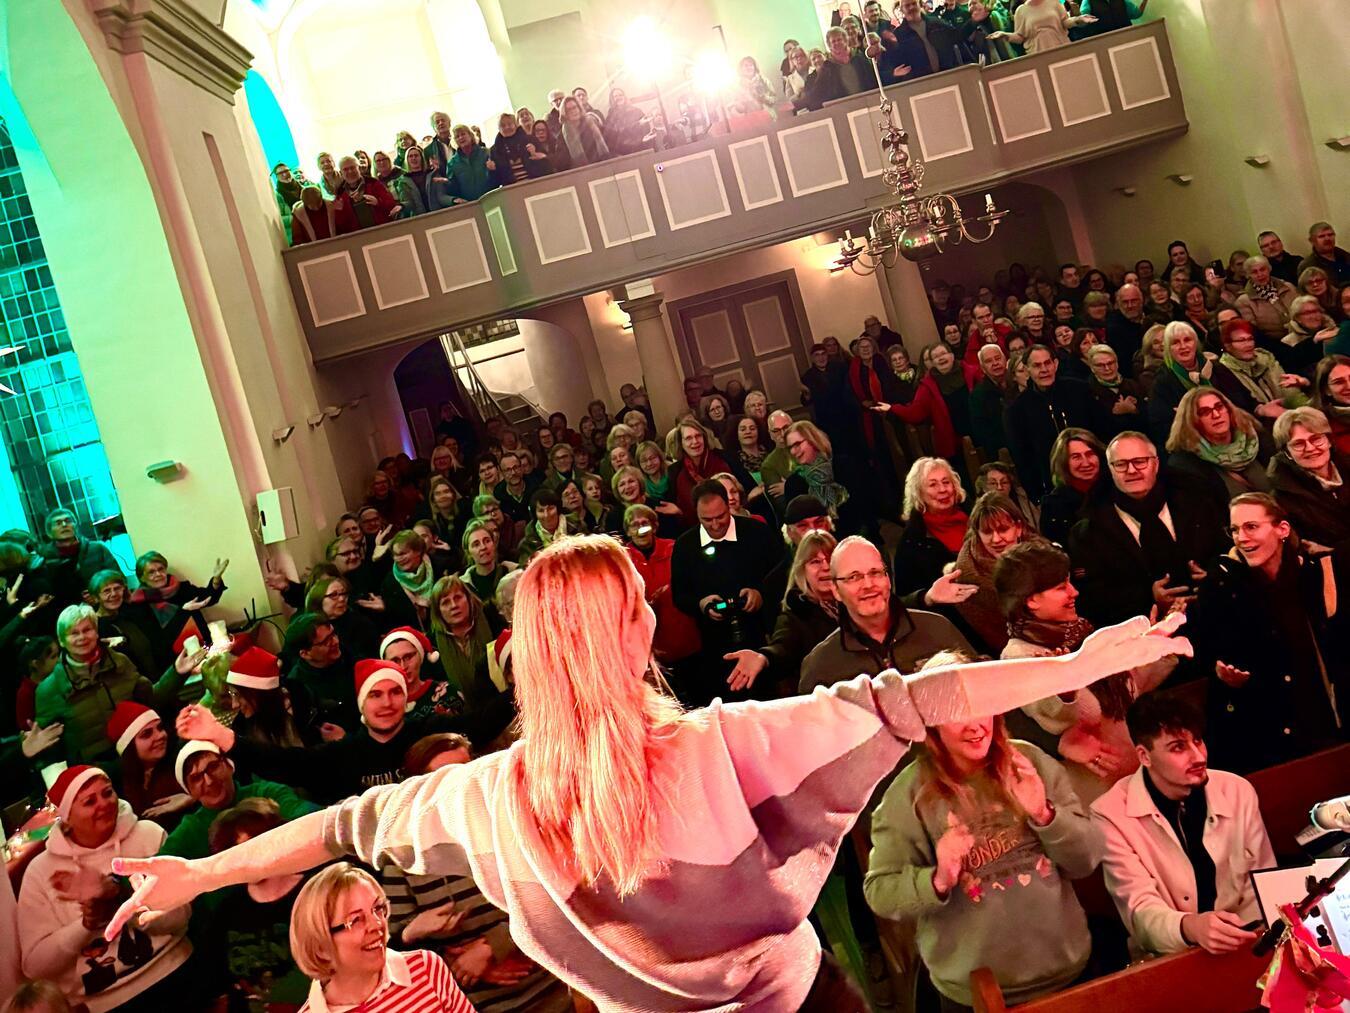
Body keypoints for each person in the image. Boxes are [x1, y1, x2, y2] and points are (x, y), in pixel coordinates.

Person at [105, 535, 1187, 1011]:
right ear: (624, 636)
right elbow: (916, 697)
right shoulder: (717, 741)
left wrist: (196, 878)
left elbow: (340, 826)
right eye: (638, 599)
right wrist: (1084, 660)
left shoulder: (484, 792)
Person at [1091, 694, 1274, 956]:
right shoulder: (1109, 815)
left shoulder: (1237, 790)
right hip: (1167, 959)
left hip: (1247, 944)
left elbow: (1262, 885)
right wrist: (1190, 927)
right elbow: (1140, 912)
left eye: (1198, 741)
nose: (1198, 756)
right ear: (1144, 756)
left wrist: (1247, 943)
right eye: (1178, 747)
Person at [995, 542, 1177, 801]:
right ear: (1032, 600)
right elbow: (1059, 720)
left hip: (1138, 772)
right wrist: (1066, 691)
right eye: (1061, 588)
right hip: (1098, 792)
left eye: (1070, 583)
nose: (1074, 592)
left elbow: (1130, 688)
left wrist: (1154, 645)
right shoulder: (1019, 657)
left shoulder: (1080, 633)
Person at [1186, 492, 1349, 771]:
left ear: (1282, 529)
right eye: (1235, 530)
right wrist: (1220, 670)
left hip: (1321, 714)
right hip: (1261, 724)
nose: (1241, 537)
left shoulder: (1316, 574)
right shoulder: (1222, 584)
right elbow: (1204, 646)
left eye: (1251, 527)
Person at [19, 766, 195, 1010]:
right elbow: (35, 967)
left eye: (107, 793)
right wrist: (86, 926)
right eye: (89, 801)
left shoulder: (148, 835)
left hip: (173, 969)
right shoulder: (41, 872)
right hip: (104, 1003)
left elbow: (184, 917)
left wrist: (125, 903)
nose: (104, 804)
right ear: (67, 818)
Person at [1067, 431, 1226, 625]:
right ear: (1110, 469)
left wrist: (1213, 578)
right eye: (1121, 464)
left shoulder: (1197, 503)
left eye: (1140, 461)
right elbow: (1092, 597)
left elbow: (1226, 552)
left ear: (1156, 464)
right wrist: (1148, 598)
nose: (1132, 470)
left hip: (1214, 618)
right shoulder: (1088, 532)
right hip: (1140, 635)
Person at [289, 863, 473, 1013]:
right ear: (321, 946)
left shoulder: (425, 968)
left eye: (378, 909)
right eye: (356, 920)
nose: (377, 924)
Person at [799, 536, 974, 693]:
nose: (868, 584)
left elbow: (983, 688)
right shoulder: (820, 666)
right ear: (836, 590)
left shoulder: (938, 629)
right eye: (854, 577)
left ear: (888, 580)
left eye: (875, 573)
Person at [36, 604, 201, 765]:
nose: (82, 637)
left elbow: (150, 701)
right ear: (62, 641)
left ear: (96, 632)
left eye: (87, 630)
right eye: (73, 633)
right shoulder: (49, 690)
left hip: (138, 759)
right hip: (97, 773)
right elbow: (50, 750)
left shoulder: (120, 662)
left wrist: (177, 672)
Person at [670, 481, 779, 693]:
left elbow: (783, 576)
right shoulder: (685, 545)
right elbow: (679, 595)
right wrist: (701, 604)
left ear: (729, 507)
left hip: (760, 636)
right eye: (706, 520)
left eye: (720, 516)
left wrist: (761, 594)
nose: (715, 525)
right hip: (713, 646)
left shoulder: (756, 532)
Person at [1004, 344, 1103, 499]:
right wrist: (1037, 494)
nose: (1044, 370)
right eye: (1037, 365)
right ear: (1027, 369)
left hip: (1094, 476)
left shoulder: (1080, 390)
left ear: (1055, 364)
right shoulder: (1017, 409)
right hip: (1053, 486)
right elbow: (1022, 456)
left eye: (1047, 363)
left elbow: (1100, 430)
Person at [950, 493, 1045, 654]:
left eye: (1003, 529)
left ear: (1019, 528)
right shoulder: (966, 576)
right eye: (987, 532)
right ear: (977, 534)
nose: (996, 539)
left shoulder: (1045, 557)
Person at [1164, 387, 1272, 513]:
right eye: (1204, 412)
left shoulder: (1255, 436)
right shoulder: (1185, 465)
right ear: (1192, 420)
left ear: (1228, 409)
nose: (1216, 415)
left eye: (1219, 407)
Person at [128, 550, 227, 669]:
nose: (158, 574)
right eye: (151, 572)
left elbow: (208, 599)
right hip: (176, 661)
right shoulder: (139, 603)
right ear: (142, 578)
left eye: (161, 569)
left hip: (205, 648)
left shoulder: (181, 588)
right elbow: (157, 638)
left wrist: (216, 580)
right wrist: (183, 611)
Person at [106, 701, 192, 826]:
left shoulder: (184, 761)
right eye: (147, 734)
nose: (160, 736)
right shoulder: (115, 782)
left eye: (160, 728)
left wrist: (193, 797)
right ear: (129, 747)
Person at [894, 458, 969, 596]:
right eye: (933, 485)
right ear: (919, 493)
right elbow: (908, 597)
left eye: (946, 482)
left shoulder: (976, 519)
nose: (942, 489)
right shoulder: (912, 541)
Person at [1212, 318, 1308, 420]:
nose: (1248, 344)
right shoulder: (1223, 371)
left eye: (1250, 339)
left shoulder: (1266, 359)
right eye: (1241, 340)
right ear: (1228, 346)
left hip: (1287, 416)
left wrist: (1305, 412)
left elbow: (1290, 393)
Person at [1038, 428, 1107, 545]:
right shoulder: (1053, 505)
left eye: (1090, 454)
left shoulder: (1114, 492)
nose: (1086, 463)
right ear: (1063, 462)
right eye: (1076, 457)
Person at [37, 509, 120, 594]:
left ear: (75, 526)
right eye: (58, 523)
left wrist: (96, 594)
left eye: (68, 521)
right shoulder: (44, 557)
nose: (64, 525)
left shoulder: (97, 549)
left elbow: (117, 578)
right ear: (49, 531)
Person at [1234, 254, 1298, 346]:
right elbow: (1255, 332)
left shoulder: (1288, 287)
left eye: (1263, 269)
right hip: (1274, 345)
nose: (1260, 274)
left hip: (1300, 335)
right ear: (1248, 275)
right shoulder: (1244, 301)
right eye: (1254, 272)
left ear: (1269, 269)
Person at [332, 156, 399, 233]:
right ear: (341, 173)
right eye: (345, 169)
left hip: (382, 230)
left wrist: (378, 202)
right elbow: (341, 226)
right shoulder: (339, 194)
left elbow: (392, 206)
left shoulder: (373, 183)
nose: (350, 171)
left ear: (359, 168)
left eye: (353, 167)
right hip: (359, 236)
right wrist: (340, 211)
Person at [489, 112, 551, 185]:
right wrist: (492, 170)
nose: (507, 127)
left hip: (536, 184)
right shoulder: (495, 150)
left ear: (516, 125)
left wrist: (538, 156)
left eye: (509, 124)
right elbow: (495, 182)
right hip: (512, 190)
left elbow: (548, 168)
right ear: (499, 129)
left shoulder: (531, 140)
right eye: (503, 125)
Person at [372, 150, 425, 218]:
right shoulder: (375, 183)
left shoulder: (402, 174)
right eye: (378, 161)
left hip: (409, 212)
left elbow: (413, 197)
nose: (382, 162)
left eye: (384, 159)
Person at [558, 96, 609, 167]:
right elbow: (563, 161)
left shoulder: (591, 123)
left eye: (575, 107)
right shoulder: (562, 135)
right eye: (569, 110)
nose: (573, 111)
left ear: (579, 108)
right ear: (565, 113)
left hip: (603, 164)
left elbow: (607, 140)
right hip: (580, 171)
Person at [1298, 221, 1350, 288]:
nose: (1327, 239)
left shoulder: (1346, 256)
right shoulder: (1308, 266)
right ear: (1312, 241)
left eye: (1330, 235)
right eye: (1321, 236)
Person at [602, 88, 653, 156]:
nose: (619, 97)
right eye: (615, 96)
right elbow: (614, 135)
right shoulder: (610, 117)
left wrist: (642, 142)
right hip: (622, 153)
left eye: (621, 95)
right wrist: (638, 124)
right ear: (612, 99)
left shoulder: (636, 111)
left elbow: (646, 129)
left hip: (640, 148)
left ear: (624, 97)